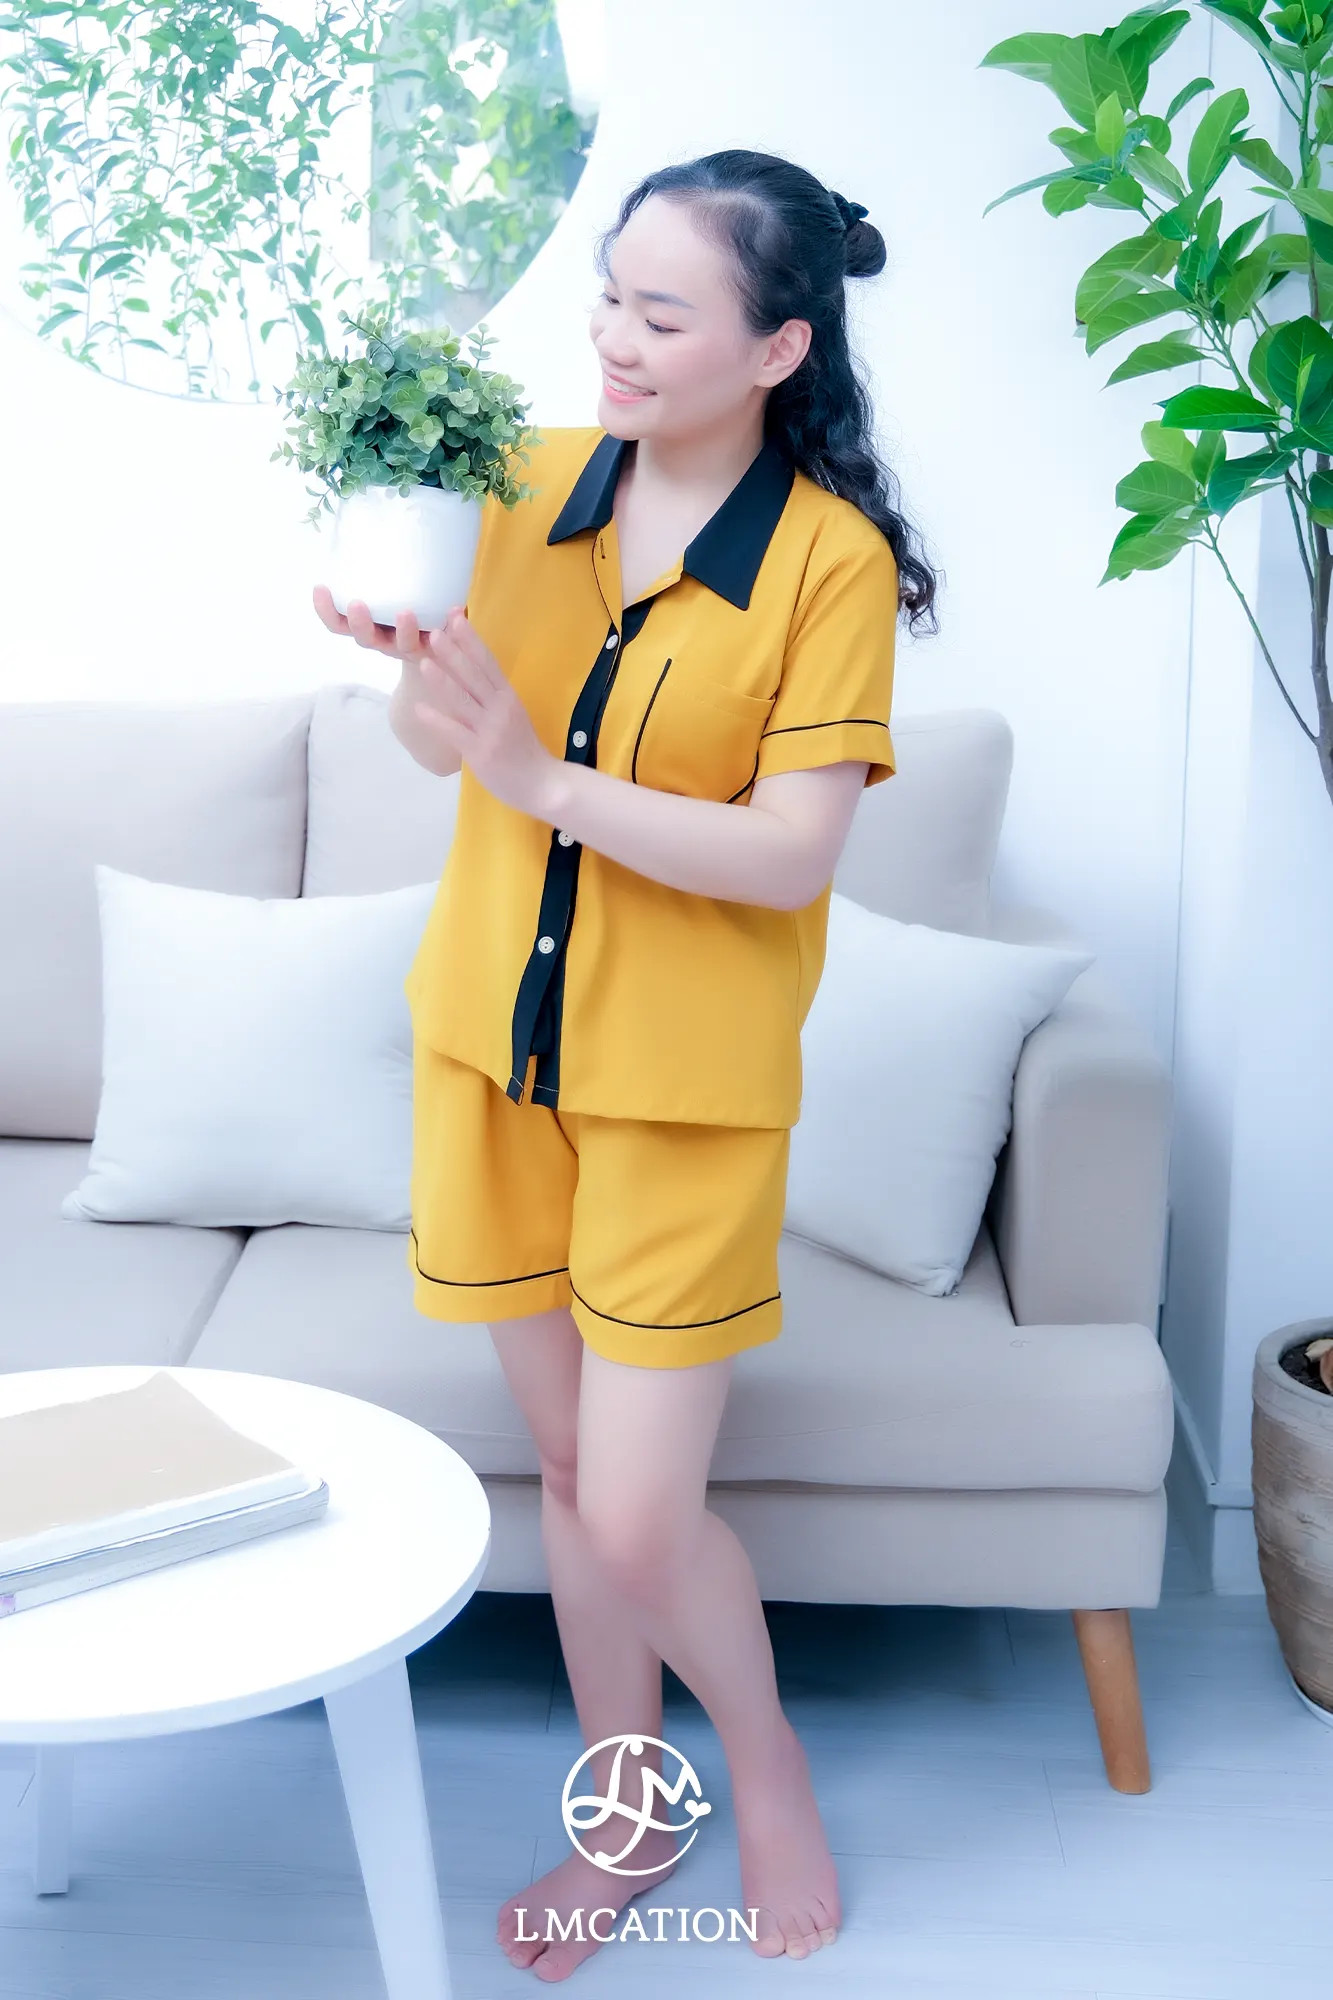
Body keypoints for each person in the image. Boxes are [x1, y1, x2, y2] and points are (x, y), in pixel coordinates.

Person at [314, 147, 937, 1983]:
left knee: (646, 1511)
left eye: (661, 314)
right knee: (575, 1475)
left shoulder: (824, 563)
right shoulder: (515, 484)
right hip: (492, 1059)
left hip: (683, 1092)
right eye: (607, 295)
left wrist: (546, 780)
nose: (611, 338)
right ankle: (628, 1813)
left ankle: (765, 1762)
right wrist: (407, 655)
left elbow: (793, 856)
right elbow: (445, 751)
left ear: (775, 350)